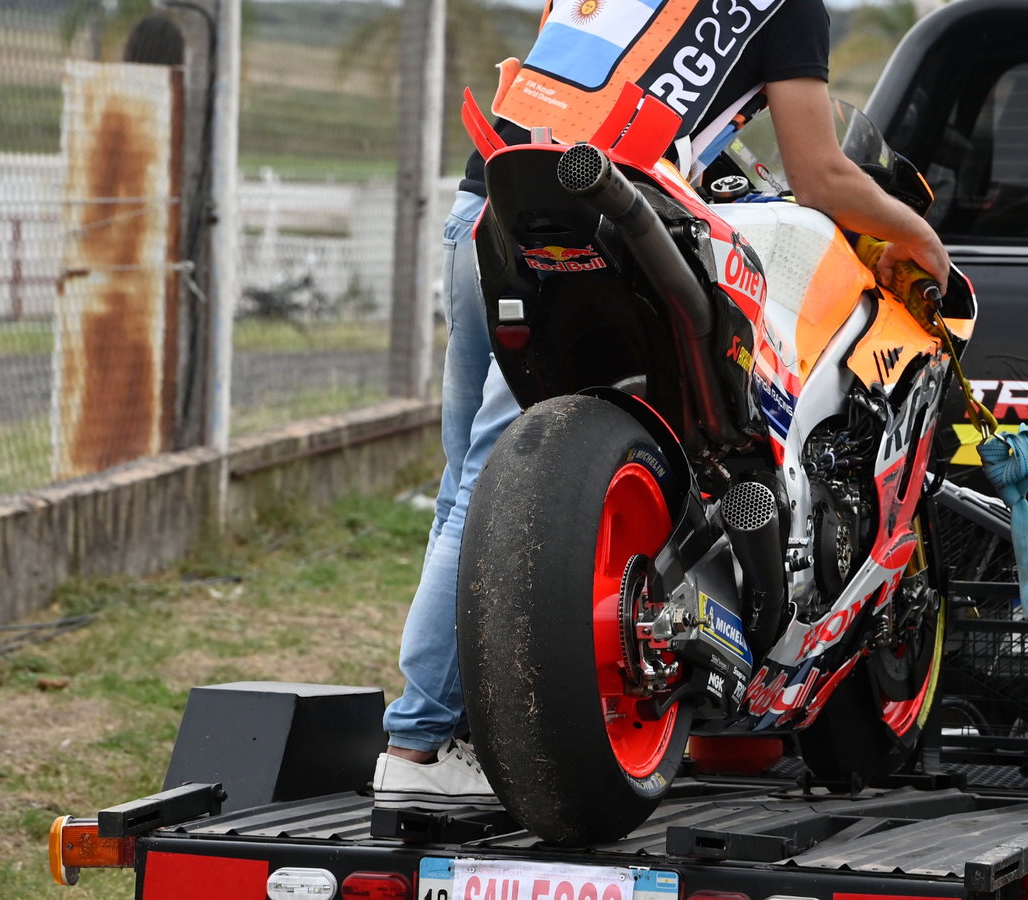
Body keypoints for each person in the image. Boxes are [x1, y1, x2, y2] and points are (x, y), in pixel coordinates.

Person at [371, 0, 949, 810]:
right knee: (493, 484)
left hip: (486, 210)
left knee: (469, 483)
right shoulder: (788, 7)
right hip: (586, 222)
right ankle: (421, 745)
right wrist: (916, 234)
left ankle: (445, 730)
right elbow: (817, 175)